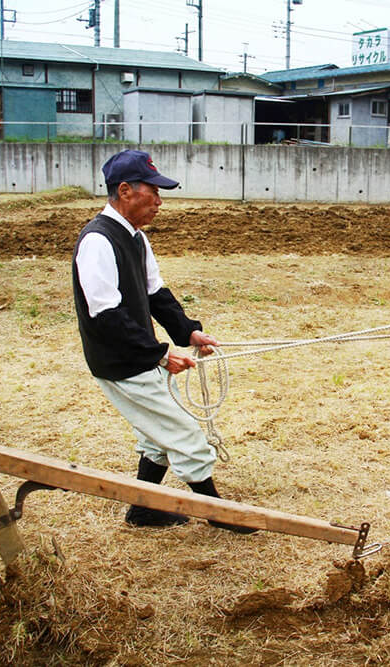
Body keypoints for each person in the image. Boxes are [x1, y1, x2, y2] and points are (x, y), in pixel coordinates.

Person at [72, 149, 255, 534]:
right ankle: (217, 514)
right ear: (125, 191)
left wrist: (187, 331)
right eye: (153, 192)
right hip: (120, 360)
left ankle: (142, 509)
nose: (159, 201)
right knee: (184, 433)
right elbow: (104, 315)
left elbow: (156, 294)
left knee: (156, 433)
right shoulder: (98, 241)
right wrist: (158, 354)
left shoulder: (135, 238)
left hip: (137, 355)